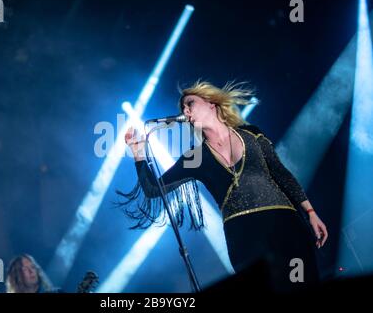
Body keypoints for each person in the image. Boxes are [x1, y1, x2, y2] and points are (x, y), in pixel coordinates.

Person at [118, 80, 328, 292]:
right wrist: (138, 153)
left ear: (212, 103)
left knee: (299, 282)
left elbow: (281, 173)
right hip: (244, 236)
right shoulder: (196, 157)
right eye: (183, 107)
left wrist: (310, 211)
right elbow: (155, 189)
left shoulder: (251, 134)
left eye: (190, 103)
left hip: (284, 225)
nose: (185, 110)